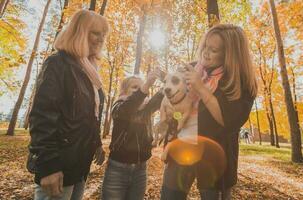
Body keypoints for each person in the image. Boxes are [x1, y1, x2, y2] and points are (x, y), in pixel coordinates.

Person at [161, 24, 258, 200]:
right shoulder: (192, 69)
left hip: (214, 159)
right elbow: (178, 113)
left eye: (213, 50)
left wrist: (200, 88)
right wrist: (171, 116)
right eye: (205, 46)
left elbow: (228, 122)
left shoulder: (240, 82)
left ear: (230, 55)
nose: (205, 53)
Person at [27, 10, 109, 200]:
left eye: (103, 34)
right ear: (79, 32)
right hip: (58, 167)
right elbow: (42, 116)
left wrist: (96, 143)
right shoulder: (58, 63)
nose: (101, 39)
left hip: (79, 167)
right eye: (96, 32)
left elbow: (89, 116)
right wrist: (49, 166)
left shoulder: (90, 72)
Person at [101, 71, 164, 200]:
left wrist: (167, 79)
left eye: (140, 87)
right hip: (117, 170)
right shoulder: (119, 106)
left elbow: (162, 96)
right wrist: (145, 86)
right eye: (135, 87)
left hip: (140, 170)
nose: (139, 90)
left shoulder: (146, 109)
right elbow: (129, 107)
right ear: (124, 91)